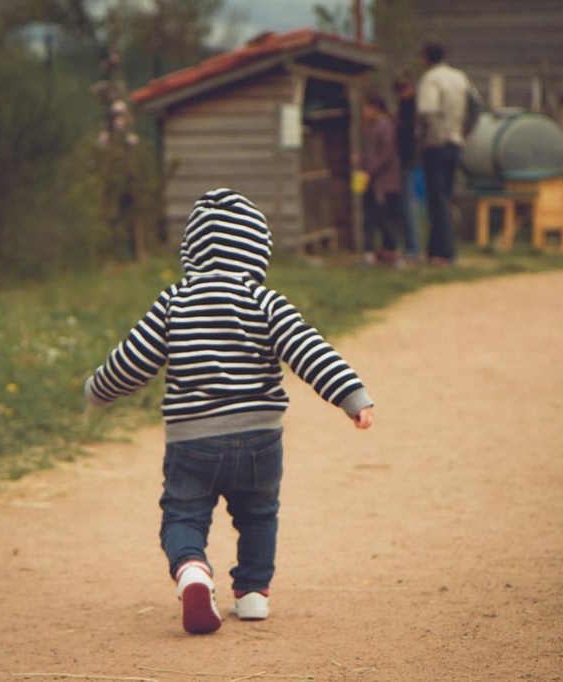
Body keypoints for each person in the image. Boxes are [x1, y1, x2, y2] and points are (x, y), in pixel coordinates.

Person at [84, 188, 375, 635]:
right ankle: (253, 593)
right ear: (258, 248)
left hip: (192, 443)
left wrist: (99, 390)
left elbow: (132, 359)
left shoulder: (174, 301)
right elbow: (308, 350)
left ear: (192, 249)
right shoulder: (264, 301)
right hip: (259, 440)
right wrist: (351, 395)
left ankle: (192, 571)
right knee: (258, 515)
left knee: (183, 516)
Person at [416, 41, 476, 265]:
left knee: (437, 200)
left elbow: (427, 111)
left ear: (426, 57)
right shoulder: (459, 77)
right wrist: (465, 135)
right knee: (444, 196)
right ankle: (434, 251)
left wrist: (426, 139)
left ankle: (446, 252)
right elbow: (475, 107)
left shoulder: (430, 79)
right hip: (455, 142)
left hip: (436, 145)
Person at [359, 93, 403, 266]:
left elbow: (386, 153)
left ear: (375, 108)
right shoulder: (374, 126)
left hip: (384, 182)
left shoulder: (385, 126)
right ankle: (371, 252)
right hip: (374, 181)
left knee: (385, 219)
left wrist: (370, 169)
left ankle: (392, 253)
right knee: (370, 217)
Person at [394, 74, 424, 265]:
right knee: (404, 204)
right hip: (406, 160)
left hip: (407, 160)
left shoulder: (411, 107)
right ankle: (409, 246)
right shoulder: (407, 106)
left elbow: (409, 137)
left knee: (407, 204)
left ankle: (413, 248)